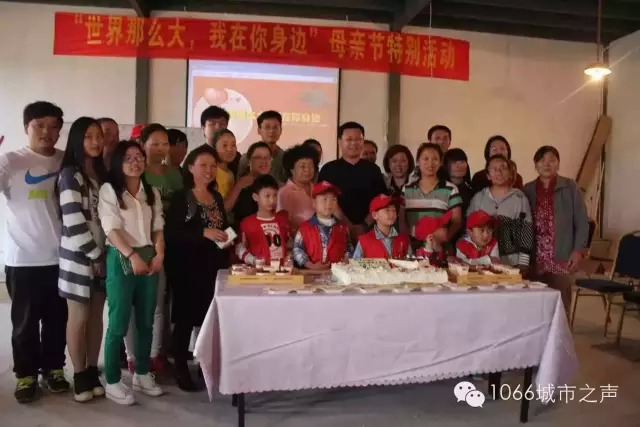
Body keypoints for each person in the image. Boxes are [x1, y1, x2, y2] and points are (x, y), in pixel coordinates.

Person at [1, 101, 69, 403]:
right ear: (26, 127)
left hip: (61, 258)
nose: (46, 132)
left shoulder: (66, 161)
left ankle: (54, 368)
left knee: (57, 320)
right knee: (25, 324)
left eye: (53, 126)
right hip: (23, 259)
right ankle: (25, 374)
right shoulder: (10, 161)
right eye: (39, 125)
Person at [98, 141, 165, 405]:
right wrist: (132, 256)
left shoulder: (152, 192)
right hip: (121, 257)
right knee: (118, 322)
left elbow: (158, 227)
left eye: (139, 157)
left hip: (149, 256)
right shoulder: (110, 190)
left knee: (147, 319)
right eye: (128, 158)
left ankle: (142, 373)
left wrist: (159, 254)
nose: (135, 162)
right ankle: (113, 381)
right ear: (118, 162)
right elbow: (111, 229)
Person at [165, 145, 231, 391]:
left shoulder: (217, 197)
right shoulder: (183, 197)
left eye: (213, 166)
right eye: (203, 165)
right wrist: (203, 232)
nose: (209, 170)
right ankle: (181, 368)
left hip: (213, 266)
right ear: (190, 168)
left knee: (207, 318)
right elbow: (172, 233)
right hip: (187, 266)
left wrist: (228, 237)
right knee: (184, 319)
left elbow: (222, 226)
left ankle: (204, 366)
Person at [124, 123, 182, 376]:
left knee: (160, 304)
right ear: (143, 144)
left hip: (169, 245)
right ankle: (133, 356)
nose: (160, 148)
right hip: (138, 246)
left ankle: (156, 354)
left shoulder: (175, 175)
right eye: (154, 143)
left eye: (164, 143)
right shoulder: (137, 174)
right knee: (135, 305)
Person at [57, 117, 108, 402]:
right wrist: (94, 254)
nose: (95, 142)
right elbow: (73, 221)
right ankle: (78, 374)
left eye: (98, 136)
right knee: (78, 317)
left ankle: (91, 370)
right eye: (88, 136)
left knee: (97, 317)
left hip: (102, 258)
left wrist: (103, 255)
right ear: (77, 140)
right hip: (78, 259)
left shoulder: (101, 174)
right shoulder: (70, 175)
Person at [523, 146, 589, 315]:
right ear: (535, 165)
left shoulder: (570, 186)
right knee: (535, 307)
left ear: (558, 164)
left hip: (561, 256)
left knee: (561, 305)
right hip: (534, 258)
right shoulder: (527, 189)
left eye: (552, 160)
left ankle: (563, 333)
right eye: (542, 160)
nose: (547, 164)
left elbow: (582, 221)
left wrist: (578, 251)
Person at [318, 122, 387, 239]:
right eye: (349, 139)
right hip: (335, 231)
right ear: (340, 141)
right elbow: (324, 200)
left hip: (369, 231)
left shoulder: (373, 169)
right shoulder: (328, 169)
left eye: (358, 139)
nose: (354, 143)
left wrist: (364, 225)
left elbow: (381, 200)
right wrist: (347, 225)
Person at [467, 155, 533, 270]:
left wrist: (524, 262)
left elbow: (526, 229)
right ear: (488, 175)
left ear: (510, 173)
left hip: (511, 262)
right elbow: (469, 228)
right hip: (482, 261)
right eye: (494, 169)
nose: (499, 172)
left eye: (503, 168)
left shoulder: (520, 198)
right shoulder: (479, 198)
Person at [402, 143, 463, 246]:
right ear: (418, 162)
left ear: (440, 162)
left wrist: (443, 239)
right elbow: (402, 221)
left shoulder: (451, 189)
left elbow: (456, 222)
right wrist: (408, 244)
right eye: (425, 159)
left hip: (439, 247)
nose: (430, 163)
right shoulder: (407, 189)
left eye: (435, 159)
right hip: (411, 247)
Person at [293, 181, 351, 269]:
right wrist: (310, 265)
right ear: (314, 203)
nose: (329, 203)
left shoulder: (342, 227)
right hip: (312, 273)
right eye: (324, 199)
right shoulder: (304, 228)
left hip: (338, 273)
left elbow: (349, 248)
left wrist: (346, 260)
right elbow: (297, 250)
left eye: (333, 199)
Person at [236, 174, 290, 265]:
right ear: (255, 197)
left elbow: (288, 243)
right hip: (258, 270)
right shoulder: (247, 223)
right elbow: (239, 248)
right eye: (267, 196)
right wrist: (253, 260)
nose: (272, 200)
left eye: (275, 195)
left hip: (281, 270)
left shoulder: (282, 220)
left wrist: (289, 256)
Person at [226, 142, 272, 226]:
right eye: (258, 157)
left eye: (267, 157)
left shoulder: (274, 184)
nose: (264, 161)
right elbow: (225, 209)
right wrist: (239, 186)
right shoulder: (241, 183)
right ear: (248, 161)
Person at [352, 194, 411, 259]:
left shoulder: (404, 239)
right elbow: (355, 263)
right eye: (387, 210)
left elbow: (412, 262)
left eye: (394, 210)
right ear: (375, 215)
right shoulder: (364, 241)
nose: (392, 214)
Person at [277, 144, 319, 234]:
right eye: (302, 166)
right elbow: (283, 223)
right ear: (291, 169)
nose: (307, 170)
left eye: (311, 166)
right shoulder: (285, 192)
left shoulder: (319, 189)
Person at [238, 110, 287, 183]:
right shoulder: (247, 157)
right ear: (259, 130)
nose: (271, 131)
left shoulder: (286, 158)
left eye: (275, 127)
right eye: (267, 127)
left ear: (281, 130)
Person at [211, 128, 237, 198]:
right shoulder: (211, 172)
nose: (230, 149)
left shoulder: (231, 174)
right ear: (214, 147)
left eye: (233, 145)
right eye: (225, 145)